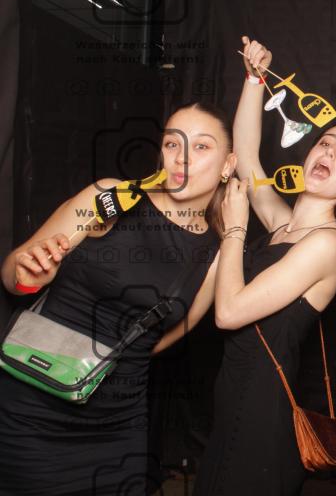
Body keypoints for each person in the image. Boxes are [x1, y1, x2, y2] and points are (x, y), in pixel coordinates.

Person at [0, 102, 234, 494]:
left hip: (117, 428)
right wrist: (26, 277)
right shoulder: (110, 196)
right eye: (173, 144)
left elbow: (161, 340)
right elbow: (12, 273)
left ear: (229, 164)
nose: (183, 158)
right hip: (31, 407)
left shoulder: (215, 257)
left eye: (201, 147)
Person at [192, 37, 336, 495]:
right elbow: (248, 157)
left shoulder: (327, 245)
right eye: (326, 143)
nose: (330, 154)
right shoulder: (281, 223)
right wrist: (254, 79)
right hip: (233, 393)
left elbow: (228, 313)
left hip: (263, 411)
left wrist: (235, 229)